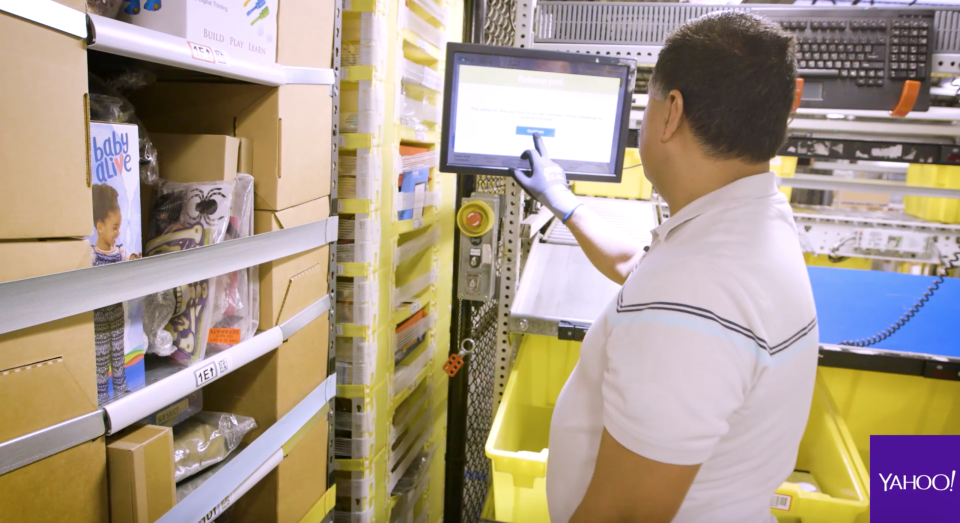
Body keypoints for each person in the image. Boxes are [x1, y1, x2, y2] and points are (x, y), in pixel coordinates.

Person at [510, 12, 818, 523]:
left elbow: (625, 515)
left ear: (671, 112)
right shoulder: (752, 219)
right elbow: (639, 263)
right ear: (792, 103)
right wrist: (562, 200)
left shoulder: (694, 292)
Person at [91, 183, 137, 403]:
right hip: (98, 317)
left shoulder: (120, 252)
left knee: (117, 354)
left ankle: (121, 389)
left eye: (119, 228)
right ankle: (100, 395)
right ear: (100, 227)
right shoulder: (90, 255)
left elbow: (132, 260)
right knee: (100, 358)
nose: (118, 233)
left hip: (116, 315)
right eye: (114, 228)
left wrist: (135, 261)